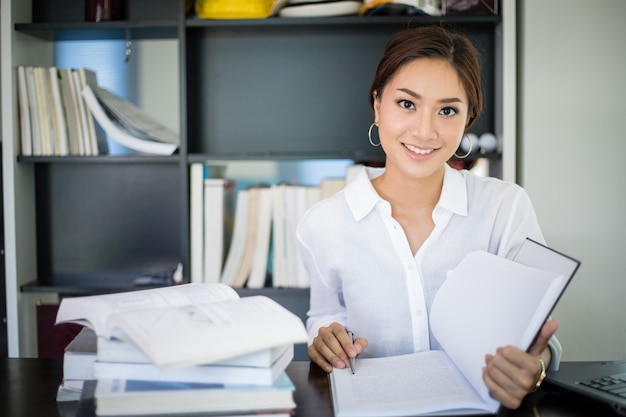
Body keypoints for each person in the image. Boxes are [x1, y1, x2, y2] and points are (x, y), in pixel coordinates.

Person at [296, 25, 562, 410]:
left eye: (448, 110)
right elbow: (325, 313)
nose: (424, 130)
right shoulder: (322, 224)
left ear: (468, 119)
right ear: (377, 104)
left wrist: (535, 366)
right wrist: (323, 339)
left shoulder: (505, 208)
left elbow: (538, 334)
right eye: (407, 104)